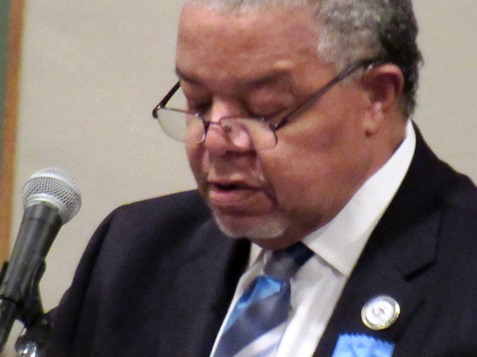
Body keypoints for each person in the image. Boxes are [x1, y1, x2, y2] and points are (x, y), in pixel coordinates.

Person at [45, 0, 477, 356]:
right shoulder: (134, 253)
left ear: (377, 97)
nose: (215, 140)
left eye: (263, 110)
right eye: (197, 103)